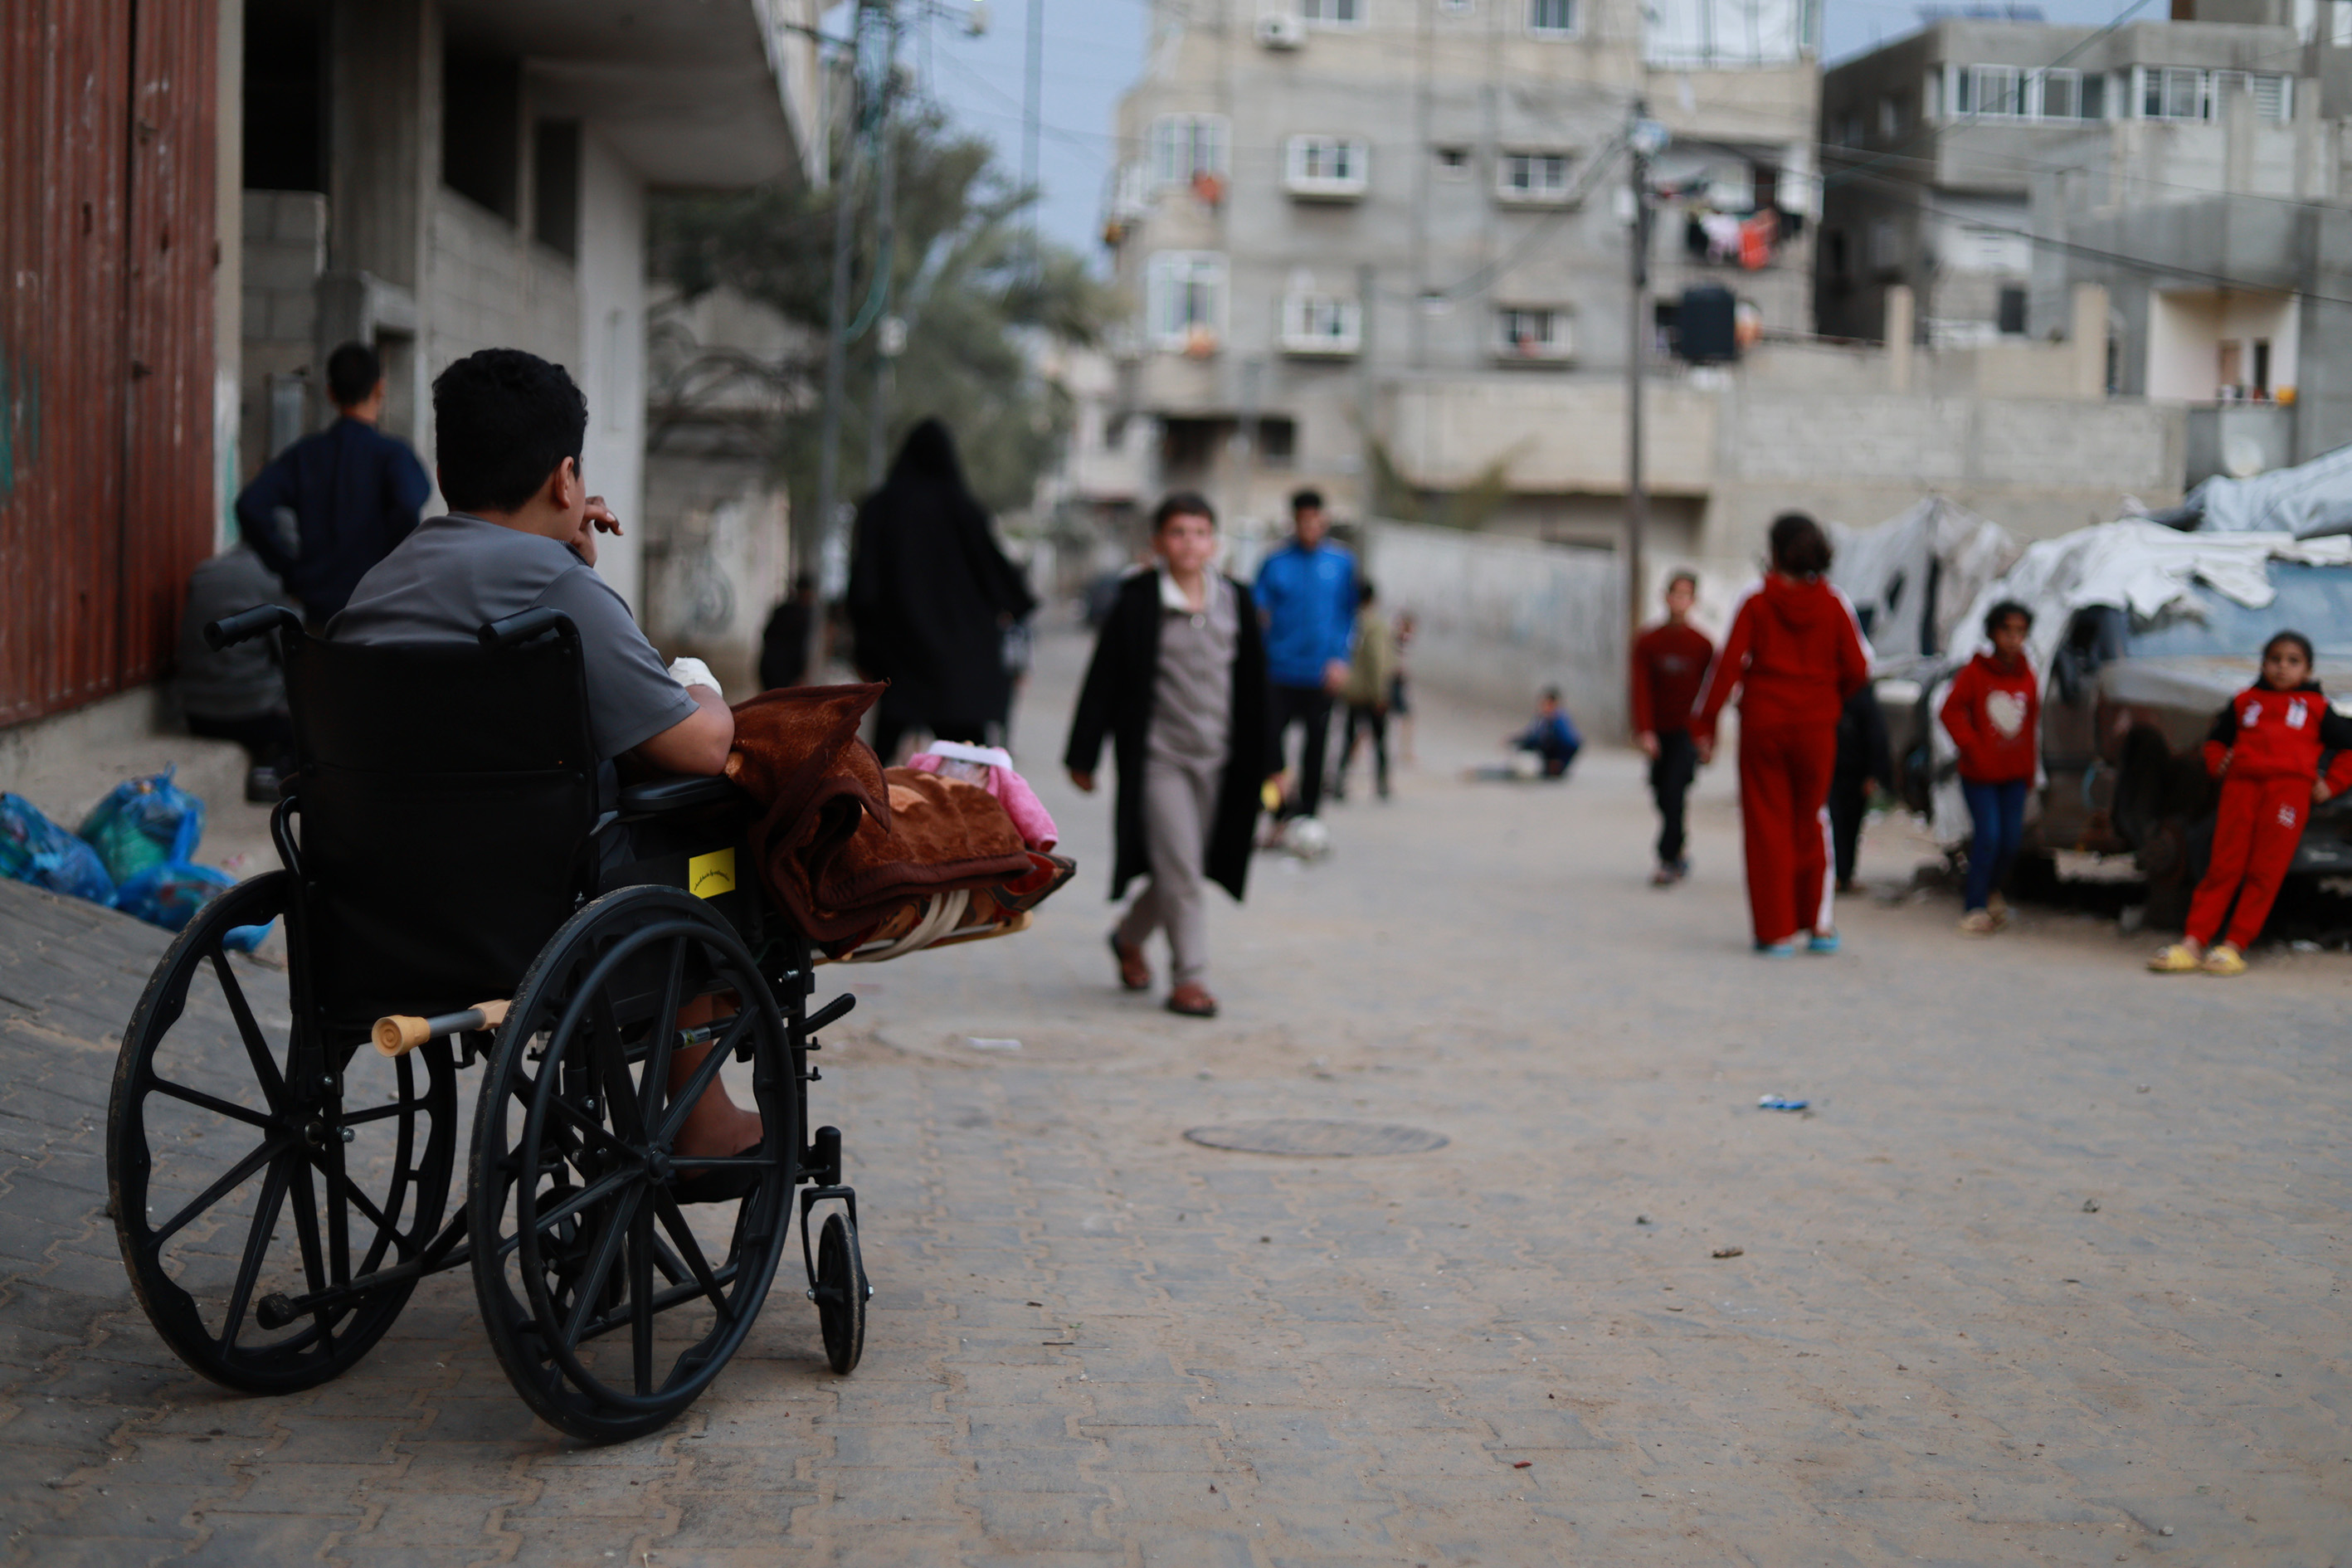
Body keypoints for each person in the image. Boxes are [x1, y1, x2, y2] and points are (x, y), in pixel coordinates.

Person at [332, 347, 752, 1176]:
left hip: (376, 912)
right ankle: (701, 1110)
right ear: (568, 481)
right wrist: (700, 681)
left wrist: (571, 563)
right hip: (538, 922)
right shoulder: (558, 594)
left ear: (447, 470)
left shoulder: (377, 587)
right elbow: (700, 745)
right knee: (712, 852)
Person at [1065, 493, 1276, 1019]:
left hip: (1220, 761)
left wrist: (1274, 761)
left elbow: (1255, 687)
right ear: (1158, 543)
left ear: (1215, 542)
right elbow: (1103, 682)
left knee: (1183, 865)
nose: (1190, 543)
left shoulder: (1237, 601)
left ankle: (1128, 937)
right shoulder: (1137, 602)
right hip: (1160, 760)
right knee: (1181, 867)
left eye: (1200, 532)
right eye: (1178, 533)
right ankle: (1190, 979)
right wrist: (1083, 755)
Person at [1693, 512, 1872, 956]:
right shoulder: (1834, 603)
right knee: (1812, 819)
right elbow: (1858, 669)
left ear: (1773, 551)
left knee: (1766, 824)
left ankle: (1775, 933)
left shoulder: (1756, 601)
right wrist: (1826, 698)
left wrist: (1705, 725)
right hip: (1816, 727)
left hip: (1763, 725)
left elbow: (1726, 666)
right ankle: (1818, 925)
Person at [2150, 630, 2352, 976]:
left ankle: (2234, 945)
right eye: (2275, 659)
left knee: (2265, 870)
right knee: (2224, 865)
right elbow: (2215, 742)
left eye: (2293, 661)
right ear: (2263, 664)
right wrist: (2218, 764)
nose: (2282, 668)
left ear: (2307, 670)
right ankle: (2193, 942)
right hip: (2241, 790)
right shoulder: (2245, 702)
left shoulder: (2318, 708)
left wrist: (2331, 784)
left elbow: (2348, 748)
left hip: (2288, 795)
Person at [846, 418, 1037, 762]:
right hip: (959, 668)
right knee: (969, 771)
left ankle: (866, 815)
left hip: (901, 661)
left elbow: (864, 589)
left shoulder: (881, 508)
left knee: (877, 771)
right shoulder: (964, 510)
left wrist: (865, 652)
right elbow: (1003, 580)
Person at [234, 341, 432, 625]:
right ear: (380, 388)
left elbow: (250, 505)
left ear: (330, 392)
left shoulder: (304, 455)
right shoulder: (394, 456)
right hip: (380, 610)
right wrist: (394, 567)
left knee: (323, 669)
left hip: (320, 615)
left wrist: (292, 572)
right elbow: (408, 503)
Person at [1254, 489, 1356, 823]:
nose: (1311, 527)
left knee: (1317, 748)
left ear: (1324, 521)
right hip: (1279, 671)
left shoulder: (1341, 564)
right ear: (1294, 522)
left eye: (1317, 520)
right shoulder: (1275, 563)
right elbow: (1259, 614)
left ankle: (1309, 817)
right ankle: (1276, 811)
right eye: (1304, 521)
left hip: (1320, 673)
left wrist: (1340, 659)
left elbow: (1348, 616)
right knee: (1270, 749)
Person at [1939, 601, 2039, 934]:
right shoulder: (1976, 673)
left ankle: (1991, 890)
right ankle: (1975, 905)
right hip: (1980, 775)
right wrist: (1972, 746)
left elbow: (2029, 726)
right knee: (1988, 838)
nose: (2013, 639)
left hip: (2013, 774)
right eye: (2007, 631)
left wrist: (2029, 769)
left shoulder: (2027, 676)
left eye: (2020, 632)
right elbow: (1950, 711)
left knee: (2011, 841)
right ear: (1993, 633)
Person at [177, 543, 295, 802]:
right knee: (311, 720)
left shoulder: (205, 571)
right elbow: (293, 654)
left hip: (195, 713)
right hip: (249, 715)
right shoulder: (270, 576)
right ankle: (273, 774)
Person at [1630, 571, 1714, 886]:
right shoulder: (1648, 642)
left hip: (1686, 732)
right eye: (1675, 594)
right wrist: (1645, 730)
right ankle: (1678, 850)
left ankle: (1667, 858)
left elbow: (1710, 695)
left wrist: (1707, 737)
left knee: (1676, 791)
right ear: (1665, 597)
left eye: (1686, 595)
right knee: (1660, 793)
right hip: (1658, 730)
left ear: (1694, 601)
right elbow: (1640, 688)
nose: (1679, 601)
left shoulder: (1703, 645)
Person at [1332, 581, 1395, 802]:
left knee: (1348, 739)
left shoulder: (1350, 621)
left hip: (1352, 692)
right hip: (1370, 692)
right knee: (1379, 740)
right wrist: (1380, 693)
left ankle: (1339, 782)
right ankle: (1382, 784)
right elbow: (1376, 660)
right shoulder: (1376, 625)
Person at [1830, 683, 1894, 895]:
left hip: (1854, 772)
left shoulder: (1861, 695)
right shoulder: (1827, 689)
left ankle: (1844, 875)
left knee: (1848, 825)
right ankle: (1839, 875)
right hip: (1833, 770)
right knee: (1838, 824)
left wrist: (1874, 774)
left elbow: (1876, 736)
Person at [758, 572, 818, 692]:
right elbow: (799, 647)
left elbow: (766, 635)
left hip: (769, 667)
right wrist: (799, 674)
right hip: (782, 671)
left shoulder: (782, 610)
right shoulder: (802, 615)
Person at [1512, 689, 1582, 777]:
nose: (1543, 707)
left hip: (1557, 760)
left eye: (1546, 704)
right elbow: (1531, 736)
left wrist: (1559, 761)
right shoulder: (1542, 720)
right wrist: (1513, 741)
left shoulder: (1560, 721)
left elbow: (1572, 743)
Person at [1390, 610, 1416, 766]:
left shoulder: (1400, 640)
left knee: (1407, 718)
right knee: (1407, 717)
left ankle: (1407, 751)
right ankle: (1407, 752)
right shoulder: (1399, 640)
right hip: (1394, 683)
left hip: (1398, 682)